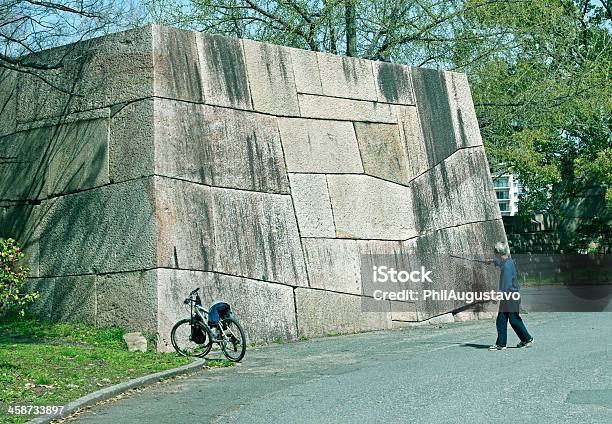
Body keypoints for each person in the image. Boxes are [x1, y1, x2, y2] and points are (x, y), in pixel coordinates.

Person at [487, 241, 534, 351]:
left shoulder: (507, 266)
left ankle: (527, 339)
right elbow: (501, 263)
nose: (493, 253)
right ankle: (502, 344)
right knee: (502, 320)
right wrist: (493, 261)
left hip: (510, 297)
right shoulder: (508, 261)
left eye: (494, 252)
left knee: (514, 320)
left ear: (498, 252)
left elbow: (506, 285)